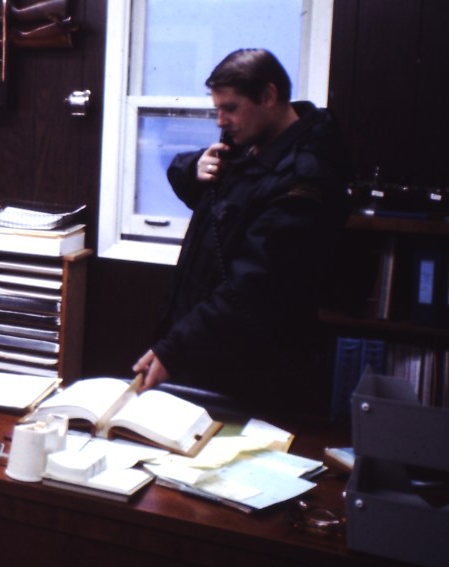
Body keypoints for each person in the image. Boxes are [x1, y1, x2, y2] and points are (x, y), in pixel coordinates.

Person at [133, 48, 350, 415]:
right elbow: (210, 197)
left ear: (268, 96)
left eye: (230, 108)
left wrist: (176, 347)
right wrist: (195, 168)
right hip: (203, 340)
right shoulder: (250, 143)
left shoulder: (305, 175)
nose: (221, 121)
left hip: (250, 367)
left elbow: (256, 284)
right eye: (217, 109)